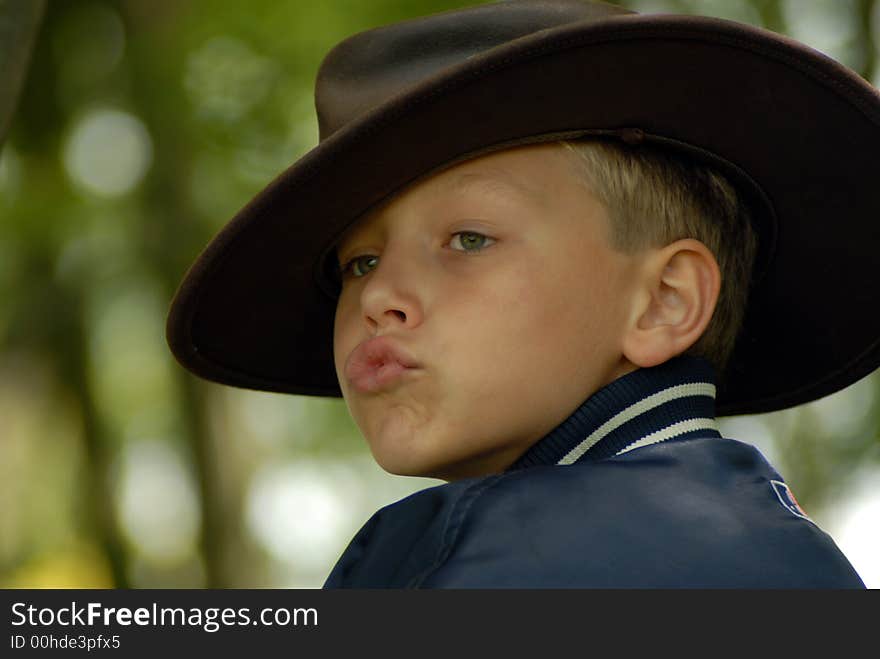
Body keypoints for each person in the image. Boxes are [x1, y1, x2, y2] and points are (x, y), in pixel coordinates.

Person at [166, 0, 880, 587]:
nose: (379, 292)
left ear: (664, 301)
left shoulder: (446, 561)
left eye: (469, 239)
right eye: (358, 263)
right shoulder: (808, 562)